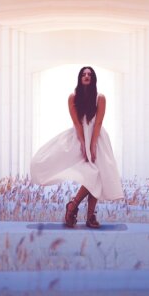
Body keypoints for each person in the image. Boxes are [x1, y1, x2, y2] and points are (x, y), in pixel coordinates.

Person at [30, 66, 124, 228]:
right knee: (92, 175)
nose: (86, 76)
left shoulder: (100, 98)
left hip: (98, 138)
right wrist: (83, 145)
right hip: (79, 136)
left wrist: (93, 145)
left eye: (90, 74)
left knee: (99, 175)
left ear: (93, 79)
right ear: (80, 78)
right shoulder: (72, 98)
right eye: (83, 74)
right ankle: (74, 207)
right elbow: (76, 123)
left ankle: (86, 214)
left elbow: (98, 123)